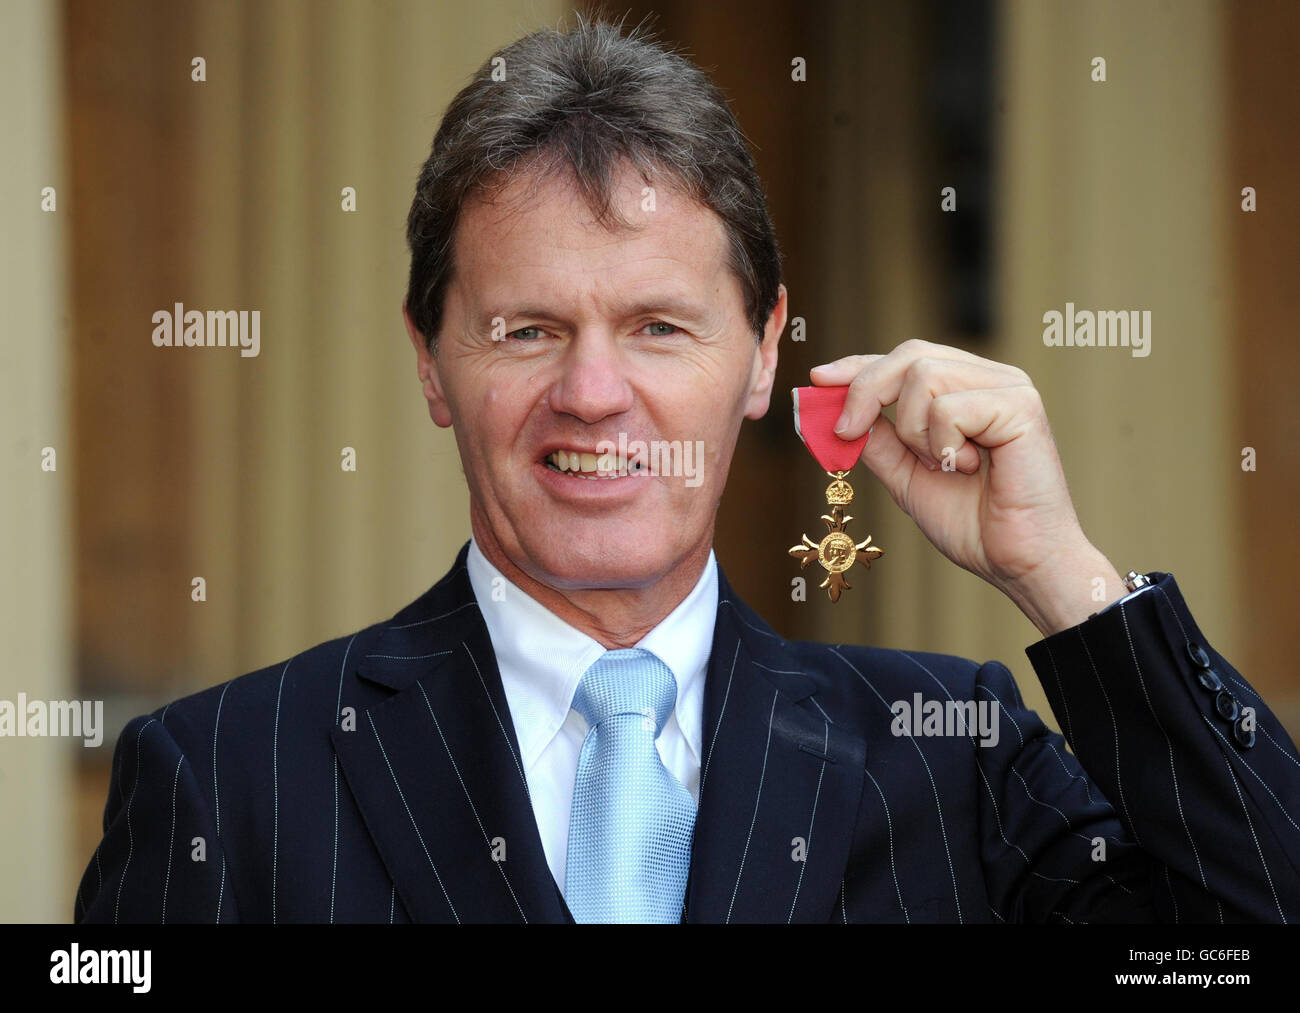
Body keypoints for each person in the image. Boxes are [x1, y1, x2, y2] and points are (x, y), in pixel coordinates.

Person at [76, 16, 1300, 924]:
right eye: (527, 329)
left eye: (660, 326)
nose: (594, 392)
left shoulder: (953, 756)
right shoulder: (226, 780)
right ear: (431, 364)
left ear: (763, 356)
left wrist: (1066, 579)